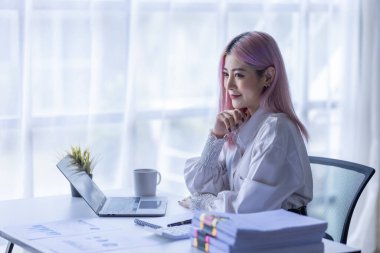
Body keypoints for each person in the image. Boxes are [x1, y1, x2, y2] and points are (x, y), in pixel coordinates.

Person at [181, 31, 312, 215]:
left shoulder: (276, 129)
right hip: (249, 230)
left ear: (268, 77)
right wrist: (217, 136)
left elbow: (247, 206)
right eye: (226, 74)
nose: (228, 85)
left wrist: (202, 203)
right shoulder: (240, 124)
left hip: (280, 236)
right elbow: (201, 187)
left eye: (239, 75)